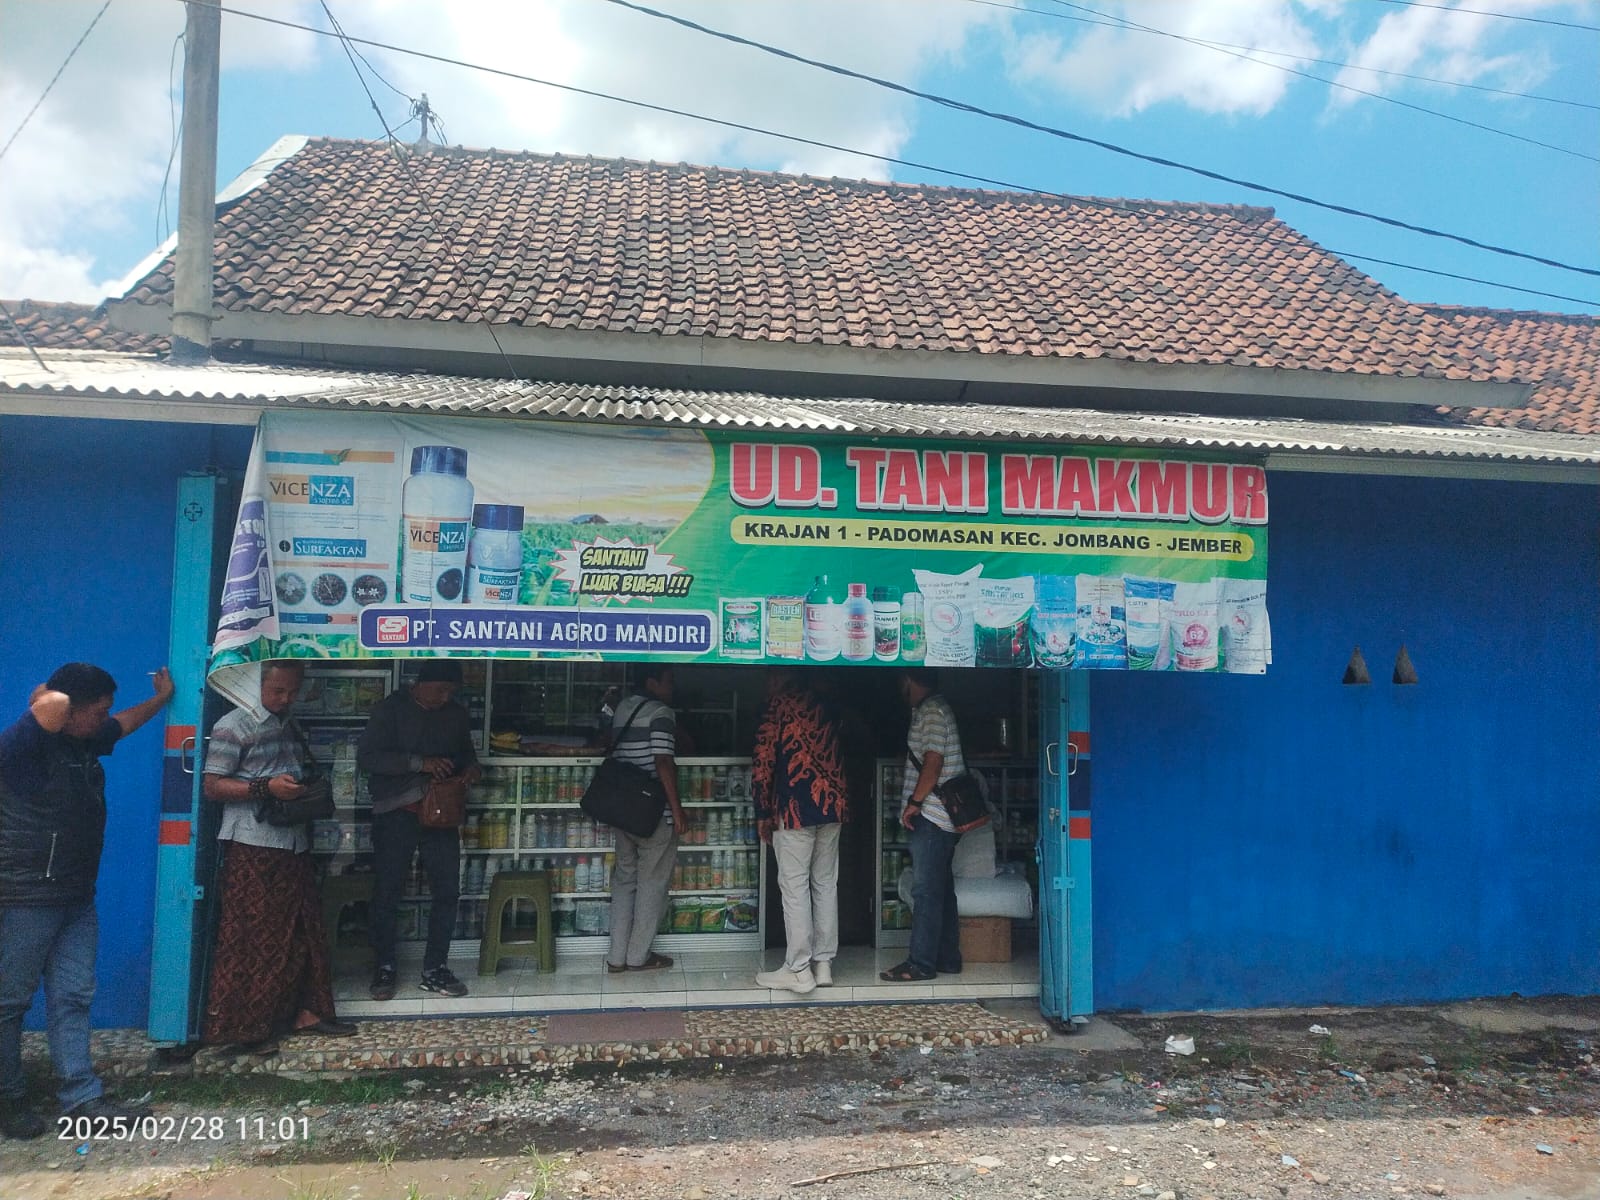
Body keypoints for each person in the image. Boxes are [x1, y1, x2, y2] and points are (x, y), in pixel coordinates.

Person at [0, 662, 173, 1139]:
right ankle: (10, 1100)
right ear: (68, 710)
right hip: (24, 895)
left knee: (73, 996)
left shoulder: (84, 740)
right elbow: (53, 702)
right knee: (10, 1001)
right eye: (97, 711)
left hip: (76, 895)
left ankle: (82, 1100)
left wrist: (161, 699)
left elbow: (125, 723)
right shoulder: (23, 746)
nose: (106, 718)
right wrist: (49, 693)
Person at [200, 661, 355, 1054]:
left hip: (292, 842)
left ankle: (307, 1011)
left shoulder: (288, 722)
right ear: (258, 686)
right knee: (254, 937)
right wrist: (265, 787)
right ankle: (248, 1029)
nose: (286, 699)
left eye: (292, 691)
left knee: (302, 928)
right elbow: (213, 786)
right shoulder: (233, 726)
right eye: (278, 692)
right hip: (253, 843)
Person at [358, 661, 480, 1001]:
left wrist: (470, 770)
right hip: (397, 811)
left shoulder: (455, 715)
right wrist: (419, 764)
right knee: (388, 890)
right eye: (440, 690)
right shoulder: (389, 710)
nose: (444, 697)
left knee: (447, 891)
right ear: (420, 683)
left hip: (440, 813)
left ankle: (435, 968)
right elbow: (368, 757)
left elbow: (466, 753)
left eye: (450, 692)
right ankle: (384, 966)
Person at [751, 668, 849, 994]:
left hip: (794, 809)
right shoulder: (828, 701)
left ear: (780, 677)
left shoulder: (778, 704)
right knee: (825, 883)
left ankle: (798, 968)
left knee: (794, 886)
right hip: (832, 804)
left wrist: (762, 811)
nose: (765, 683)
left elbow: (763, 760)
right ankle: (823, 964)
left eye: (768, 676)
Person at [880, 667, 965, 983]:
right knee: (942, 890)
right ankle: (947, 958)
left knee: (926, 891)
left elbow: (933, 761)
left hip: (933, 815)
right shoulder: (936, 707)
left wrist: (914, 803)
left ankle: (920, 963)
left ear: (908, 681)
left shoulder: (930, 711)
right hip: (943, 817)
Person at [604, 664, 686, 974]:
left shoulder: (623, 707)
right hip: (652, 813)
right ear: (652, 682)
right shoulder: (661, 712)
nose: (673, 684)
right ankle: (638, 957)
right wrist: (676, 810)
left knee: (625, 880)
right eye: (669, 679)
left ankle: (616, 957)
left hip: (622, 810)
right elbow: (663, 761)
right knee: (652, 884)